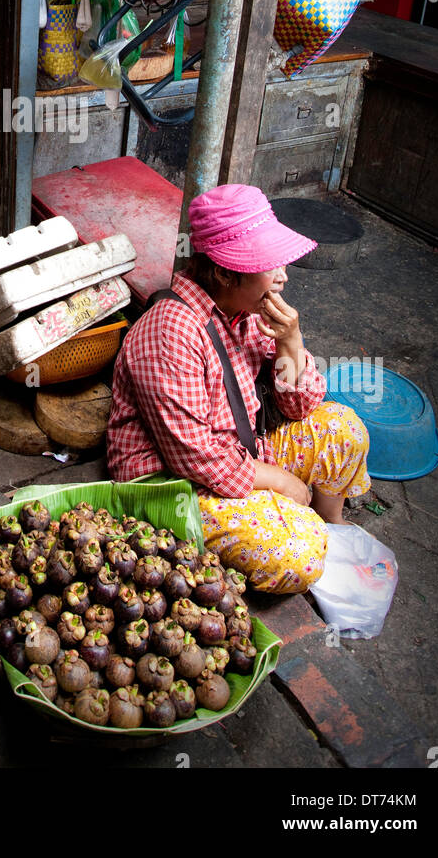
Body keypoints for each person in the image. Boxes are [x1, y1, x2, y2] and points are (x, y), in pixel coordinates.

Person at [107, 184, 370, 594]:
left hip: (242, 452)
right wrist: (279, 482)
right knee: (298, 552)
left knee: (343, 430)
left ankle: (324, 525)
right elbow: (194, 458)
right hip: (175, 486)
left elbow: (300, 406)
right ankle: (300, 530)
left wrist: (290, 341)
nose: (282, 277)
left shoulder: (245, 313)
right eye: (270, 266)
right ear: (226, 273)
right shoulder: (170, 333)